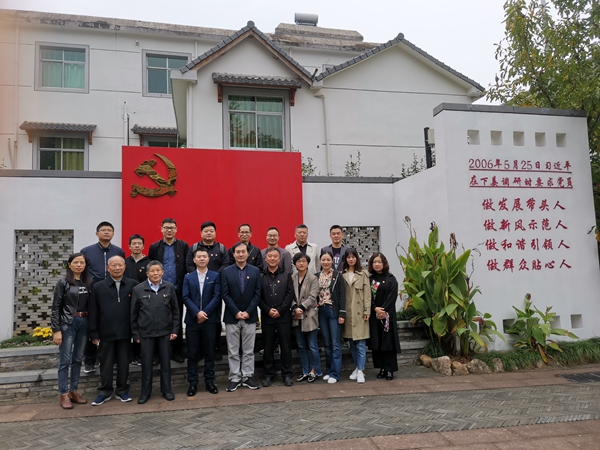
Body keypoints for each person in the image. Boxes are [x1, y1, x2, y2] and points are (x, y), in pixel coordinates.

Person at [89, 256, 136, 405]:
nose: (117, 268)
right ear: (108, 268)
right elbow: (93, 311)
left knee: (124, 363)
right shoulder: (98, 287)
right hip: (105, 333)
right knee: (106, 364)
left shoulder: (133, 285)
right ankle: (105, 391)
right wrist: (94, 332)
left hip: (125, 332)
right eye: (113, 265)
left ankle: (122, 391)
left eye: (120, 265)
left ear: (124, 267)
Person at [131, 260, 179, 404]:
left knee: (165, 364)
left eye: (158, 270)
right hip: (146, 333)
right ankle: (145, 393)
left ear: (163, 272)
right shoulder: (138, 289)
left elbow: (175, 311)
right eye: (152, 271)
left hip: (165, 332)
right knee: (146, 365)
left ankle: (167, 390)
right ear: (147, 273)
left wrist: (175, 330)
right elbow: (133, 314)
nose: (155, 273)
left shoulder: (169, 287)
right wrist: (136, 334)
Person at [80, 221, 125, 373]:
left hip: (113, 292)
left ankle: (112, 360)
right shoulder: (87, 251)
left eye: (109, 230)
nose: (106, 232)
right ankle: (89, 360)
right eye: (103, 230)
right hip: (93, 293)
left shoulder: (118, 252)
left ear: (113, 234)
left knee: (112, 324)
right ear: (97, 233)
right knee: (92, 324)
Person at [51, 252, 92, 409]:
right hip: (68, 323)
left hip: (85, 321)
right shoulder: (63, 283)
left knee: (78, 358)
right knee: (65, 360)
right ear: (69, 264)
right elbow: (56, 307)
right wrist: (56, 330)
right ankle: (64, 394)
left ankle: (74, 391)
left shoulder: (88, 282)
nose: (79, 265)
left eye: (82, 262)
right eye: (76, 262)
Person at [186, 221, 229, 362]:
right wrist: (198, 277)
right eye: (206, 231)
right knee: (197, 317)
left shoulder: (221, 248)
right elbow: (189, 265)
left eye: (211, 230)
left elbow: (225, 264)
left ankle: (215, 347)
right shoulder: (194, 248)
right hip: (196, 288)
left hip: (215, 288)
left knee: (214, 318)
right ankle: (199, 349)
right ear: (201, 233)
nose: (209, 233)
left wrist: (213, 277)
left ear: (215, 233)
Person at [221, 241, 261, 392]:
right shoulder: (226, 271)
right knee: (233, 350)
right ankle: (235, 378)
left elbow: (257, 293)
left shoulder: (255, 271)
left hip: (250, 316)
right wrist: (236, 312)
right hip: (232, 317)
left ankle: (247, 376)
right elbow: (225, 294)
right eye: (237, 252)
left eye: (243, 251)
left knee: (249, 350)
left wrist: (249, 311)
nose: (240, 254)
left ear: (248, 253)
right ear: (233, 254)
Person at [148, 218, 189, 363]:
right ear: (161, 229)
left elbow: (187, 266)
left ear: (176, 229)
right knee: (158, 320)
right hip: (158, 290)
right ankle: (158, 353)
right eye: (166, 227)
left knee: (176, 320)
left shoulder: (183, 246)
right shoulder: (155, 247)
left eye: (172, 227)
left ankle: (176, 351)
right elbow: (151, 266)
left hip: (177, 290)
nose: (169, 230)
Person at [182, 248, 221, 396]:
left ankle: (209, 382)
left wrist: (205, 313)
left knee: (209, 353)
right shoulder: (188, 277)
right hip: (192, 321)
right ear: (194, 260)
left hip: (210, 321)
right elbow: (185, 297)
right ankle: (193, 383)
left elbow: (217, 297)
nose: (202, 259)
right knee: (192, 354)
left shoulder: (215, 276)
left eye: (204, 256)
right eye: (199, 256)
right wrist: (196, 312)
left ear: (208, 259)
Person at [259, 248, 295, 387]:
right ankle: (268, 375)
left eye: (275, 256)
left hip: (283, 317)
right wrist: (268, 310)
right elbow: (258, 296)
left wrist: (280, 310)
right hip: (267, 317)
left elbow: (290, 294)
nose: (272, 258)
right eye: (270, 256)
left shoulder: (286, 275)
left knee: (285, 347)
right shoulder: (261, 276)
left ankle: (287, 374)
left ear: (279, 259)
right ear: (266, 258)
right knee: (268, 347)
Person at [368, 252, 401, 380]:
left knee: (388, 343)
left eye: (379, 262)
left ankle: (390, 369)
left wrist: (383, 311)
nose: (377, 264)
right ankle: (381, 368)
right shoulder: (370, 280)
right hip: (374, 315)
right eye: (374, 262)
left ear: (384, 263)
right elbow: (367, 297)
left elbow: (392, 296)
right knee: (377, 343)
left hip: (387, 316)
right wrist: (375, 308)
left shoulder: (391, 279)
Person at [341, 248, 371, 383]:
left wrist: (367, 310)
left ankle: (360, 371)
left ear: (357, 258)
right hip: (347, 313)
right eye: (348, 257)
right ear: (345, 259)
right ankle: (357, 367)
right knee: (352, 343)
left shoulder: (363, 274)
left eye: (353, 257)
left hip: (360, 313)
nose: (351, 259)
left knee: (360, 343)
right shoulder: (341, 275)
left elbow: (367, 294)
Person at [316, 251, 345, 384]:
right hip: (321, 310)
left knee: (335, 343)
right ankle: (328, 370)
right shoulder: (317, 276)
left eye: (328, 259)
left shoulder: (338, 275)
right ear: (320, 261)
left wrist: (342, 314)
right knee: (327, 343)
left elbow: (342, 295)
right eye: (323, 260)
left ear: (332, 261)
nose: (326, 262)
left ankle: (335, 373)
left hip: (333, 310)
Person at [291, 253, 321, 383]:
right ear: (295, 264)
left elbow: (313, 297)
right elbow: (289, 295)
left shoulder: (313, 278)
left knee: (312, 346)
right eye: (299, 261)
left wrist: (301, 307)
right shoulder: (292, 277)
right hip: (296, 316)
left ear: (308, 263)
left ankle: (314, 371)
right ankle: (305, 371)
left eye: (304, 261)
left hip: (309, 315)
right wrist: (294, 308)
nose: (301, 263)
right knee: (301, 346)